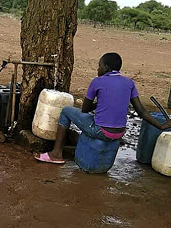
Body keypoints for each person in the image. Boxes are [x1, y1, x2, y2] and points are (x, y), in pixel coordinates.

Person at [34, 52, 171, 164]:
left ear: (106, 67)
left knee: (66, 111)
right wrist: (161, 126)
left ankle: (56, 153)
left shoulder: (97, 82)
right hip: (119, 133)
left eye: (99, 66)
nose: (97, 69)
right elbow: (141, 111)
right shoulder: (129, 83)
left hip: (101, 131)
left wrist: (98, 103)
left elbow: (85, 109)